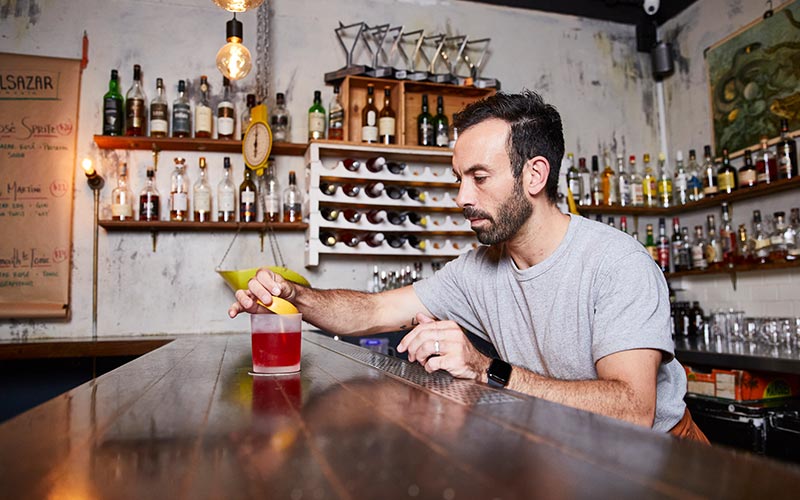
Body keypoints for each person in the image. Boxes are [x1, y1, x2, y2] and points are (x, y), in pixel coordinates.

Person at [229, 90, 708, 443]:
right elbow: (372, 312)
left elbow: (632, 410)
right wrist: (296, 295)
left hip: (661, 460)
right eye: (459, 179)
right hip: (559, 445)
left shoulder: (616, 262)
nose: (462, 197)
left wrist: (488, 370)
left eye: (480, 177)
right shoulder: (478, 268)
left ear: (535, 175)